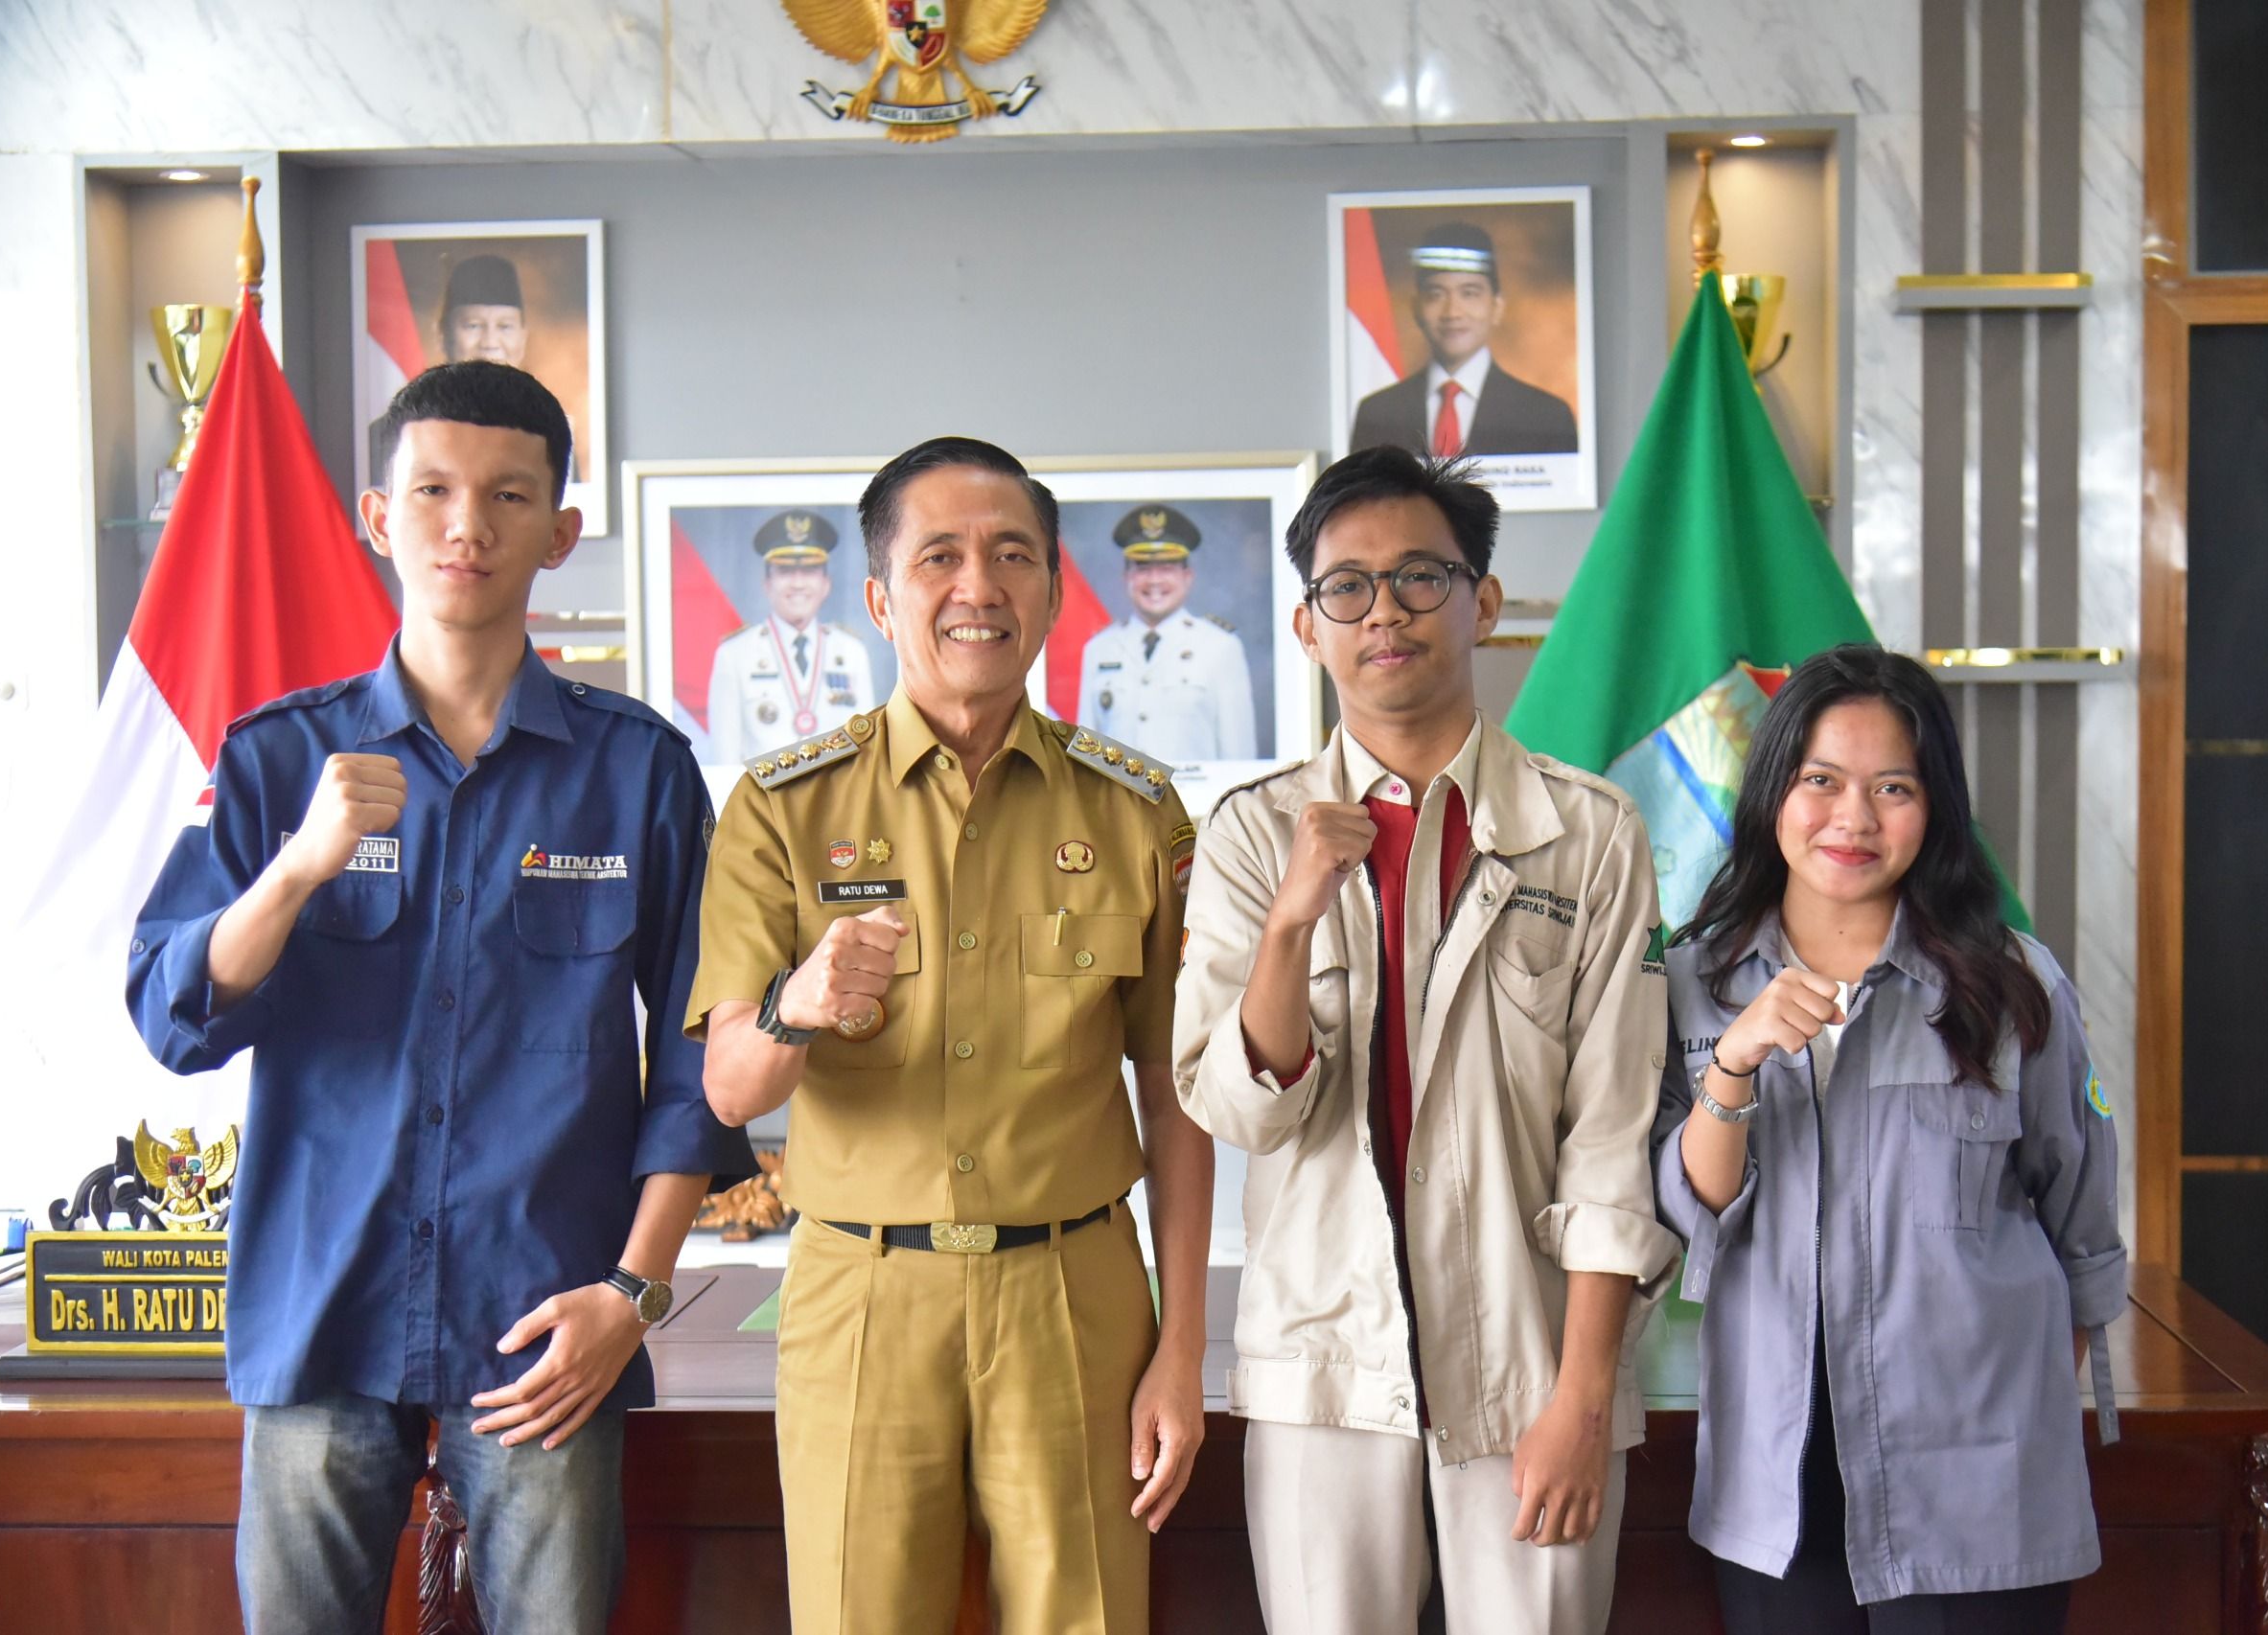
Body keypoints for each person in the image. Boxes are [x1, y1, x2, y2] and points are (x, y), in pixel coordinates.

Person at [127, 360, 752, 1635]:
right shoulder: (278, 756)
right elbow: (172, 1011)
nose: (468, 524)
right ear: (377, 515)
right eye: (433, 491)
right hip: (319, 1314)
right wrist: (297, 869)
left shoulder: (638, 771)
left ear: (560, 531)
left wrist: (631, 1294)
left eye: (509, 495)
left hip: (546, 1329)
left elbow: (700, 1059)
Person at [687, 435, 1213, 1635]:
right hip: (861, 1293)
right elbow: (729, 1088)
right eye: (939, 557)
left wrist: (1179, 1346)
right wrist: (795, 1002)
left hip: (1076, 1294)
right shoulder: (784, 806)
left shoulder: (1134, 809)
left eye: (1012, 554)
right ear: (880, 598)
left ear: (1053, 591)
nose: (979, 585)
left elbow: (1176, 1091)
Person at [1173, 446, 1678, 1634]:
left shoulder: (1587, 832)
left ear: (1482, 602)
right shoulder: (1250, 834)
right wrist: (1290, 920)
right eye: (1346, 587)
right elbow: (1242, 1109)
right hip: (1322, 1364)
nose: (1383, 612)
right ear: (1307, 625)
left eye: (1418, 577)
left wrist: (1583, 1397)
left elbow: (1613, 1134)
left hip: (1529, 1362)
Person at [1651, 644, 2124, 1633]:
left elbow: (2077, 1218)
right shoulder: (1691, 984)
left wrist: (2010, 1410)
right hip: (1777, 1488)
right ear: (1774, 794)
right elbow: (1694, 1209)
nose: (1853, 818)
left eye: (1893, 787)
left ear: (1935, 807)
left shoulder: (2011, 984)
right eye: (1820, 780)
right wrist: (1731, 1065)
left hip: (1977, 1486)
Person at [1349, 222, 1580, 459]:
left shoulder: (1547, 416)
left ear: (1497, 306)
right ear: (1416, 308)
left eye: (1469, 293)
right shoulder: (1376, 413)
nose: (1453, 312)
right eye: (1436, 295)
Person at [1077, 503, 1258, 763]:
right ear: (1126, 576)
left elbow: (1239, 757)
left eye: (1166, 568)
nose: (1154, 580)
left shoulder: (1221, 648)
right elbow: (1086, 760)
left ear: (1188, 576)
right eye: (1143, 568)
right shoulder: (1099, 649)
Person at [705, 509, 877, 766]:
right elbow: (724, 759)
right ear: (766, 583)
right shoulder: (734, 655)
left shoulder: (851, 652)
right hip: (765, 792)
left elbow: (867, 752)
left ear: (826, 583)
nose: (798, 583)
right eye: (785, 571)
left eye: (809, 570)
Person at [368, 254, 549, 489]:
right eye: (473, 325)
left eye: (505, 326)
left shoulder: (547, 432)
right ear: (442, 334)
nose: (490, 342)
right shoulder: (391, 432)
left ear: (523, 336)